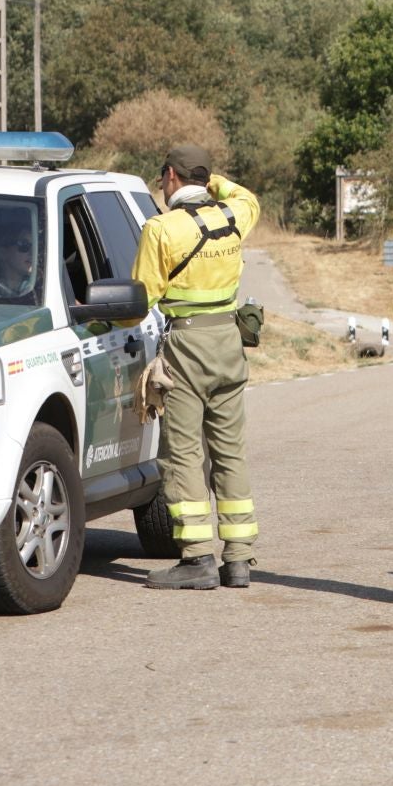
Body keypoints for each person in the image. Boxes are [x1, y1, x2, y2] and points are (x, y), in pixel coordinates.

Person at [132, 143, 262, 591]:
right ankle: (240, 559)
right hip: (229, 341)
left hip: (186, 344)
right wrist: (215, 181)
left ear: (170, 175)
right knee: (229, 451)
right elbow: (246, 196)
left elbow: (141, 298)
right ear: (204, 180)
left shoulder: (161, 229)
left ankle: (196, 559)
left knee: (183, 453)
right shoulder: (234, 217)